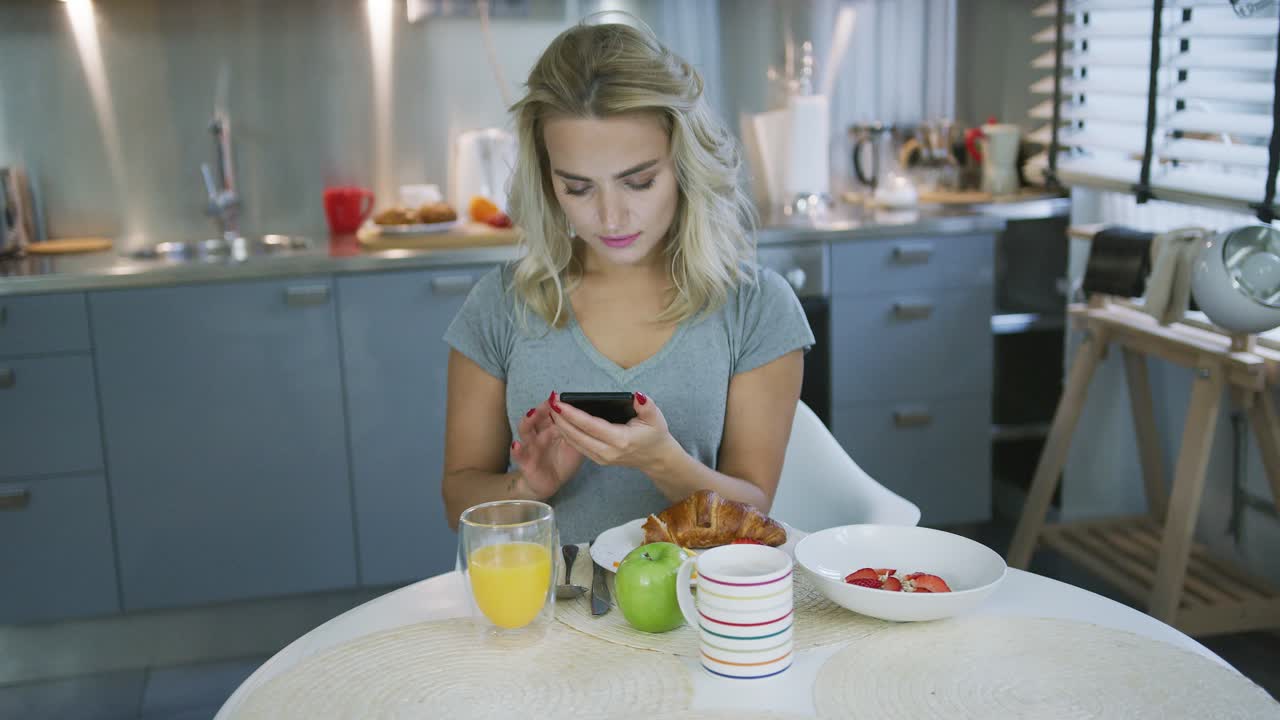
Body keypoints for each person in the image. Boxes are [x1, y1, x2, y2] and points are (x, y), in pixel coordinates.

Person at [442, 19, 814, 544]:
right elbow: (457, 500)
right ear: (547, 181)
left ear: (685, 164)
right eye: (578, 188)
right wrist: (528, 484)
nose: (611, 217)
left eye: (639, 182)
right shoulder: (500, 305)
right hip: (548, 611)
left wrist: (663, 463)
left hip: (695, 611)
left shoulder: (757, 307)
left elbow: (752, 513)